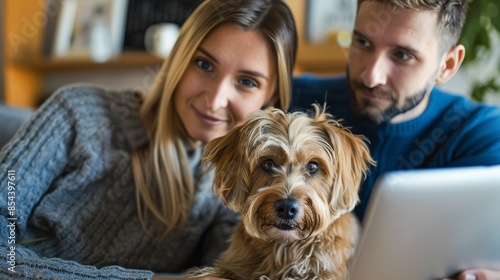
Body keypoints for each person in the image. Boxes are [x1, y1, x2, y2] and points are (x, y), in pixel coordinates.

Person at [0, 0, 297, 279]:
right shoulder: (77, 114)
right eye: (204, 64)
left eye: (247, 82)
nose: (216, 99)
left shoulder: (236, 187)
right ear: (179, 59)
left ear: (269, 98)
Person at [291, 0, 500, 279]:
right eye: (362, 42)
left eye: (402, 55)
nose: (371, 76)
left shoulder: (481, 134)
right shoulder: (293, 101)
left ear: (447, 65)